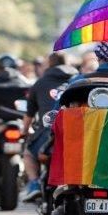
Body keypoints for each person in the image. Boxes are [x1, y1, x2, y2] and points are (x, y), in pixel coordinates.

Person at [22, 52, 78, 201]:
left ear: (50, 64)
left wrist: (24, 131)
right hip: (76, 135)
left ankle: (34, 184)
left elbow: (29, 114)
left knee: (28, 154)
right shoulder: (79, 81)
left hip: (47, 134)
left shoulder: (40, 83)